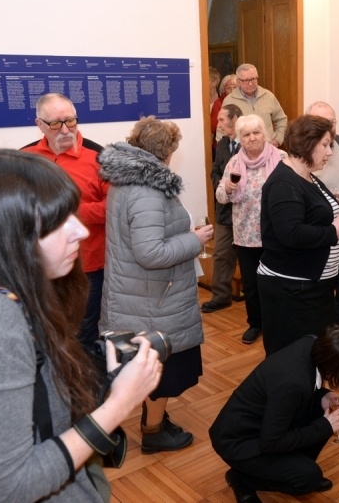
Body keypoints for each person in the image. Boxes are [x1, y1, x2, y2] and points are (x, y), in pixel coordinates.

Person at [0, 149, 162, 502]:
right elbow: (11, 486)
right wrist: (121, 404)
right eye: (57, 222)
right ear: (9, 235)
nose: (81, 231)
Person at [98, 117, 212, 453]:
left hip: (142, 292)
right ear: (166, 151)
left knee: (149, 363)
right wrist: (194, 240)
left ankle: (155, 420)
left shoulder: (127, 180)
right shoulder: (148, 189)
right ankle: (154, 431)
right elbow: (150, 253)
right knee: (161, 366)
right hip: (153, 298)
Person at [209, 323, 339, 503]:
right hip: (238, 443)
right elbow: (271, 443)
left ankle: (291, 467)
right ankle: (242, 479)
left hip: (260, 427)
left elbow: (302, 388)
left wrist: (322, 396)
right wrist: (325, 426)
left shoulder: (312, 343)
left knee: (322, 413)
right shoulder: (293, 383)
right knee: (308, 478)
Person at [257, 115, 339, 356]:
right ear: (307, 143)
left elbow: (307, 214)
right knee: (292, 355)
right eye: (325, 144)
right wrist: (333, 232)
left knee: (312, 352)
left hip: (311, 287)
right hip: (292, 289)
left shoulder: (306, 175)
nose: (330, 152)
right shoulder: (283, 182)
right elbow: (290, 233)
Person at [21, 93, 108, 353]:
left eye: (71, 121)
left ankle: (82, 379)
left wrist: (68, 212)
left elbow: (114, 209)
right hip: (42, 266)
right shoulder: (25, 158)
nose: (66, 130)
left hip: (88, 266)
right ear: (39, 124)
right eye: (56, 124)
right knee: (45, 332)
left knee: (83, 335)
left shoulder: (100, 157)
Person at [216, 114, 283, 345]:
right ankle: (255, 323)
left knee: (275, 282)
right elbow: (221, 196)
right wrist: (227, 188)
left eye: (256, 132)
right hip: (245, 235)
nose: (252, 138)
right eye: (246, 134)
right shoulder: (235, 163)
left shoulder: (280, 158)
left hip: (276, 234)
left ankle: (276, 322)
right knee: (252, 285)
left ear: (264, 134)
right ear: (240, 138)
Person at [307, 101, 339, 328]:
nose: (328, 126)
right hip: (320, 238)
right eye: (321, 122)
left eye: (331, 121)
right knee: (321, 295)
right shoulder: (304, 155)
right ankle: (324, 340)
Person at [202, 104, 243, 315]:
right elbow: (215, 171)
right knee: (221, 254)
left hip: (246, 213)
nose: (218, 125)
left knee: (249, 257)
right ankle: (220, 297)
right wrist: (221, 185)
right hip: (225, 211)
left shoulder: (249, 144)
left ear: (235, 119)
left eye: (221, 120)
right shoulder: (222, 144)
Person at [222, 64, 288, 148]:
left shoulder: (268, 96)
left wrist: (277, 140)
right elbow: (222, 129)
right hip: (242, 152)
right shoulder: (229, 101)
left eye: (253, 79)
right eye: (246, 80)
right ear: (238, 82)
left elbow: (281, 120)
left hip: (268, 149)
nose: (250, 84)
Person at [208, 67, 222, 158]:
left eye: (207, 80)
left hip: (217, 139)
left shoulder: (221, 99)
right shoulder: (199, 98)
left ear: (214, 82)